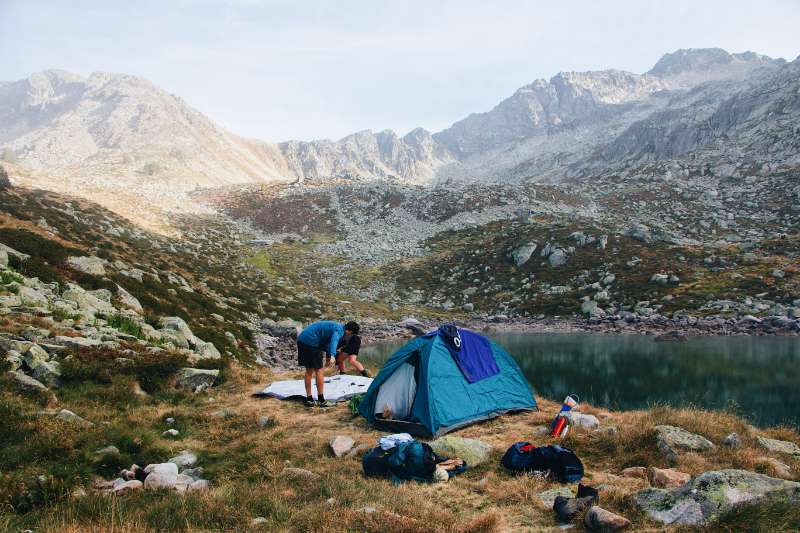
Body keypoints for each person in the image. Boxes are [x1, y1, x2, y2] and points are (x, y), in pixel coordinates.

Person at [296, 320, 357, 407]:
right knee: (319, 370)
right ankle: (321, 400)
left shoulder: (336, 326)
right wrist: (332, 355)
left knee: (309, 370)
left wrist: (328, 356)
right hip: (311, 342)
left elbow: (326, 343)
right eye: (351, 334)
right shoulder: (339, 330)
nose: (349, 336)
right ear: (349, 331)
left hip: (302, 340)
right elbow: (334, 341)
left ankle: (309, 399)